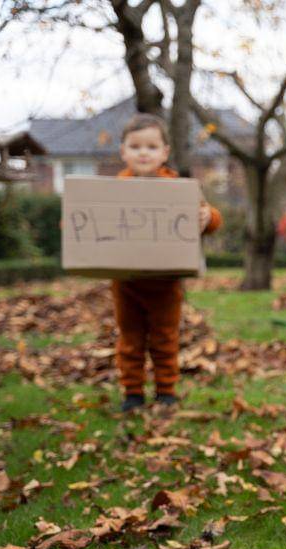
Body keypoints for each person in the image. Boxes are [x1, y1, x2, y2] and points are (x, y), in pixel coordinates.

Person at [112, 113, 222, 412]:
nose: (143, 153)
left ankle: (166, 390)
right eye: (135, 147)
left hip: (166, 282)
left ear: (164, 152)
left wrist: (206, 216)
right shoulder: (113, 189)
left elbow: (213, 219)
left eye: (151, 146)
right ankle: (132, 393)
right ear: (123, 152)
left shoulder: (177, 186)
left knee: (165, 338)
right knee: (130, 338)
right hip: (127, 282)